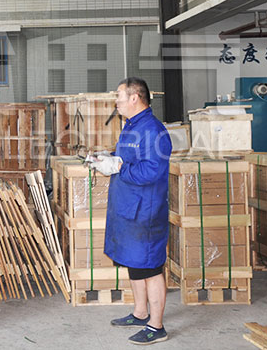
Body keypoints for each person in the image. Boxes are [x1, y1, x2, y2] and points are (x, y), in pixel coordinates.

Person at [89, 77, 172, 345]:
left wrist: (118, 167)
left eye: (119, 96)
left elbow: (152, 170)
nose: (116, 101)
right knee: (135, 263)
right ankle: (140, 313)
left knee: (150, 267)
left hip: (145, 211)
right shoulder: (131, 126)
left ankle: (156, 326)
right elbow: (128, 158)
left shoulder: (153, 130)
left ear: (135, 97)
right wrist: (107, 157)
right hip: (128, 207)